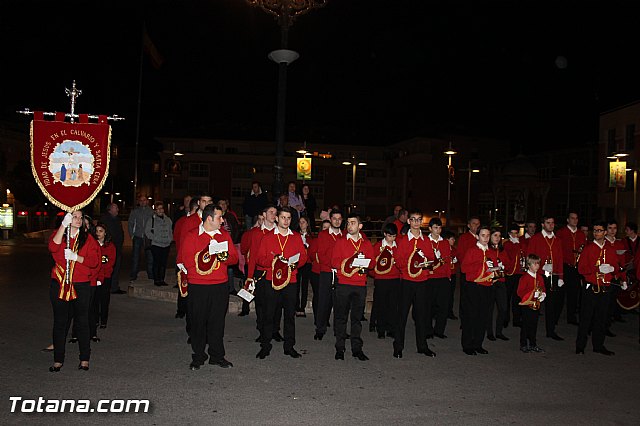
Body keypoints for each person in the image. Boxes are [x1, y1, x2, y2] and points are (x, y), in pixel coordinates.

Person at [179, 204, 238, 370]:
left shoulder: (224, 235)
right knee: (198, 322)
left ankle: (217, 355)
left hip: (219, 285)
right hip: (198, 286)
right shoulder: (192, 236)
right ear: (209, 218)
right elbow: (187, 261)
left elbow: (234, 258)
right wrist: (206, 259)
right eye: (219, 217)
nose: (222, 220)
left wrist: (223, 257)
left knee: (217, 322)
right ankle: (198, 356)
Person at [48, 211, 100, 372]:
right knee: (60, 322)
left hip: (81, 284)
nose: (78, 220)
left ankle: (84, 358)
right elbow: (53, 247)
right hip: (60, 282)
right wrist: (63, 225)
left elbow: (94, 262)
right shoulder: (60, 235)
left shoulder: (88, 239)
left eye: (80, 217)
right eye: (74, 217)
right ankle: (58, 359)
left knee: (82, 322)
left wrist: (76, 257)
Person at [254, 206, 307, 359]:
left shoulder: (296, 237)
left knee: (290, 315)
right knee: (269, 314)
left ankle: (289, 346)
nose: (286, 221)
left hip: (291, 281)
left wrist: (294, 264)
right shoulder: (268, 237)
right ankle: (265, 345)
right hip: (272, 280)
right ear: (277, 218)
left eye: (288, 218)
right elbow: (259, 259)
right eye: (283, 217)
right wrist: (275, 261)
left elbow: (303, 257)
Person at [576, 220, 627, 356]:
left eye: (599, 230)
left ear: (605, 232)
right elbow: (581, 269)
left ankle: (598, 345)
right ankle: (580, 346)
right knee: (586, 318)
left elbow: (616, 267)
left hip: (605, 287)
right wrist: (596, 268)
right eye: (595, 230)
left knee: (601, 318)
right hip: (591, 287)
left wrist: (612, 269)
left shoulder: (610, 249)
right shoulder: (588, 248)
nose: (597, 233)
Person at [393, 209, 437, 358]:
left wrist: (425, 263)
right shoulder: (403, 241)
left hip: (423, 282)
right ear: (409, 221)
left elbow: (431, 259)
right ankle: (398, 346)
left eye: (419, 219)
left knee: (422, 315)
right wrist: (411, 265)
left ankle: (422, 346)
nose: (417, 222)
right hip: (407, 281)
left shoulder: (426, 241)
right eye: (414, 219)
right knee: (402, 315)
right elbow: (398, 261)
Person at [331, 213, 374, 361]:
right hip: (343, 284)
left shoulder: (366, 243)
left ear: (360, 226)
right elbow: (334, 261)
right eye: (348, 223)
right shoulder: (341, 242)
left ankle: (357, 349)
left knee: (356, 319)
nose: (349, 226)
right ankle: (340, 348)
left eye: (353, 223)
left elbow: (373, 263)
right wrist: (350, 263)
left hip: (360, 285)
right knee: (341, 318)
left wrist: (364, 264)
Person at [527, 215, 565, 341]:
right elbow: (530, 258)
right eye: (548, 223)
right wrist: (538, 271)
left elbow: (559, 259)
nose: (551, 225)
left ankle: (551, 330)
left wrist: (560, 276)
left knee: (552, 305)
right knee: (536, 303)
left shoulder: (557, 240)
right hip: (540, 275)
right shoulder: (536, 239)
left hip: (553, 276)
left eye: (552, 223)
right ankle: (531, 333)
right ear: (543, 224)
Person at [244, 205, 278, 342]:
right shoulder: (256, 233)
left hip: (276, 272)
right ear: (264, 214)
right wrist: (249, 277)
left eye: (275, 213)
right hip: (260, 272)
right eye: (271, 212)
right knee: (261, 303)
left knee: (276, 303)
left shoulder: (279, 232)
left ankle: (275, 330)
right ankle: (262, 330)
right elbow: (252, 257)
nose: (273, 215)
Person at [460, 225, 494, 355]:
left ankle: (478, 343)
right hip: (473, 287)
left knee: (483, 316)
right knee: (471, 316)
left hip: (486, 287)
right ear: (478, 236)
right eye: (483, 235)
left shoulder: (491, 252)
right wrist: (481, 265)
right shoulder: (472, 251)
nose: (485, 238)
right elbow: (464, 269)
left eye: (487, 235)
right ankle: (467, 344)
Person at [314, 209, 344, 340]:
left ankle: (340, 330)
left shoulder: (345, 236)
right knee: (323, 302)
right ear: (330, 220)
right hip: (327, 272)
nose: (337, 221)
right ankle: (320, 329)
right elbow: (321, 254)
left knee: (340, 303)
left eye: (339, 219)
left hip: (342, 274)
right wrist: (334, 264)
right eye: (334, 218)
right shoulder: (323, 235)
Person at [556, 211, 587, 326]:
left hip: (576, 267)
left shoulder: (581, 234)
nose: (575, 220)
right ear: (568, 220)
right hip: (565, 266)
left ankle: (571, 316)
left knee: (574, 293)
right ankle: (555, 317)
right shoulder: (561, 233)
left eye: (576, 218)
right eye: (572, 218)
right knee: (560, 294)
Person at [424, 217, 453, 339]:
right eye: (435, 227)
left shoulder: (445, 242)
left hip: (443, 278)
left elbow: (447, 259)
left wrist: (448, 275)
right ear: (430, 229)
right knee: (429, 305)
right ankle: (428, 330)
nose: (438, 230)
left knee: (443, 305)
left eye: (440, 227)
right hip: (430, 277)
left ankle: (439, 330)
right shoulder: (425, 241)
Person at [370, 223, 400, 339]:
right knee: (381, 305)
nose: (392, 239)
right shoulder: (378, 246)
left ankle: (391, 328)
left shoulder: (398, 246)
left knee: (393, 305)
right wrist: (376, 275)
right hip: (381, 280)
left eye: (394, 236)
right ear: (384, 234)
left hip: (395, 279)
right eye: (390, 236)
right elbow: (372, 264)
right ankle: (381, 328)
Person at [485, 227, 511, 342]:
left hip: (500, 282)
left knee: (503, 308)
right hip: (490, 282)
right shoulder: (486, 249)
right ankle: (490, 332)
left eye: (499, 236)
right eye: (495, 235)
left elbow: (509, 265)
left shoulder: (502, 250)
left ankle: (499, 331)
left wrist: (504, 267)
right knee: (489, 308)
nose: (497, 238)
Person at [517, 254, 546, 353]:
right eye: (534, 264)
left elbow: (543, 288)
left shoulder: (540, 277)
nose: (537, 266)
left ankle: (533, 344)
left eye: (538, 264)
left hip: (536, 304)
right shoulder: (524, 278)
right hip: (526, 304)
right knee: (525, 325)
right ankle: (523, 344)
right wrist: (529, 295)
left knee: (534, 324)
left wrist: (543, 295)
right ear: (529, 265)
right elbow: (520, 292)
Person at [92, 223, 116, 337]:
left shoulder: (110, 246)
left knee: (104, 298)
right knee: (95, 299)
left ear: (105, 232)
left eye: (100, 231)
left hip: (105, 276)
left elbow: (110, 263)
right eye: (97, 231)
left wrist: (104, 273)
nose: (98, 234)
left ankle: (104, 320)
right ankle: (95, 319)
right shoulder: (93, 245)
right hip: (94, 276)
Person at [457, 216, 481, 323]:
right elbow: (461, 255)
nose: (476, 226)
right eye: (474, 224)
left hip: (480, 273)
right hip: (468, 271)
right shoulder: (464, 238)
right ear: (469, 225)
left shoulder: (481, 237)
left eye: (478, 224)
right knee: (465, 296)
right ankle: (464, 318)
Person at [145, 202, 173, 286]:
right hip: (156, 244)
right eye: (158, 208)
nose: (161, 210)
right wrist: (154, 238)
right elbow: (147, 231)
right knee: (156, 262)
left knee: (163, 263)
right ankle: (156, 280)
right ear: (155, 210)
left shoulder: (168, 220)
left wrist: (170, 239)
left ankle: (162, 279)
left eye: (162, 208)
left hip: (166, 244)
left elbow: (170, 230)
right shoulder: (152, 219)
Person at [128, 194, 154, 282]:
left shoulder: (151, 211)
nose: (143, 202)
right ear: (139, 202)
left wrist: (152, 235)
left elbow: (154, 224)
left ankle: (151, 274)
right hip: (138, 237)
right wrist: (132, 234)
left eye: (144, 200)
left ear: (147, 201)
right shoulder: (135, 212)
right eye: (141, 200)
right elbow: (130, 223)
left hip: (148, 237)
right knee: (135, 257)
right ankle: (134, 274)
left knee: (150, 257)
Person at [100, 202, 125, 294]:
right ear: (110, 209)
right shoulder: (105, 220)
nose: (118, 210)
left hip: (117, 248)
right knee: (107, 267)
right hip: (108, 248)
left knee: (116, 267)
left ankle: (114, 287)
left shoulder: (117, 219)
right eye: (116, 208)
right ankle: (106, 286)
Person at [504, 223, 525, 328]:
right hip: (509, 274)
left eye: (516, 233)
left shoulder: (521, 244)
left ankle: (516, 319)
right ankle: (505, 319)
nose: (514, 235)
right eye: (512, 233)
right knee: (506, 298)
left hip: (519, 274)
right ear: (509, 234)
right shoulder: (507, 244)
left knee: (517, 298)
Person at [309, 220, 330, 325]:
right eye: (324, 227)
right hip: (317, 272)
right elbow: (311, 255)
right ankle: (317, 318)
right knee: (318, 296)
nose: (326, 229)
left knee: (328, 297)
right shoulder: (316, 240)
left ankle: (326, 319)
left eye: (328, 227)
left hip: (328, 272)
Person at [219, 198, 241, 295]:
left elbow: (236, 229)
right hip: (219, 245)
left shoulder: (231, 216)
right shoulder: (216, 216)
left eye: (225, 204)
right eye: (221, 204)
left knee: (230, 267)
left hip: (230, 243)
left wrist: (233, 242)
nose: (223, 206)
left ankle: (231, 288)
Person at [295, 216, 313, 317]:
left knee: (305, 285)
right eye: (300, 222)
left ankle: (303, 307)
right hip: (297, 262)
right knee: (296, 285)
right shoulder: (295, 235)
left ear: (307, 224)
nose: (302, 224)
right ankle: (296, 306)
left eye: (304, 222)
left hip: (307, 263)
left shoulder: (311, 237)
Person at [443, 230, 459, 320]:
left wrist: (455, 261)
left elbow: (457, 262)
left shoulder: (454, 250)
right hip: (445, 275)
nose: (454, 241)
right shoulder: (443, 249)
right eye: (452, 239)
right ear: (447, 240)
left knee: (451, 295)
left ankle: (449, 311)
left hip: (452, 274)